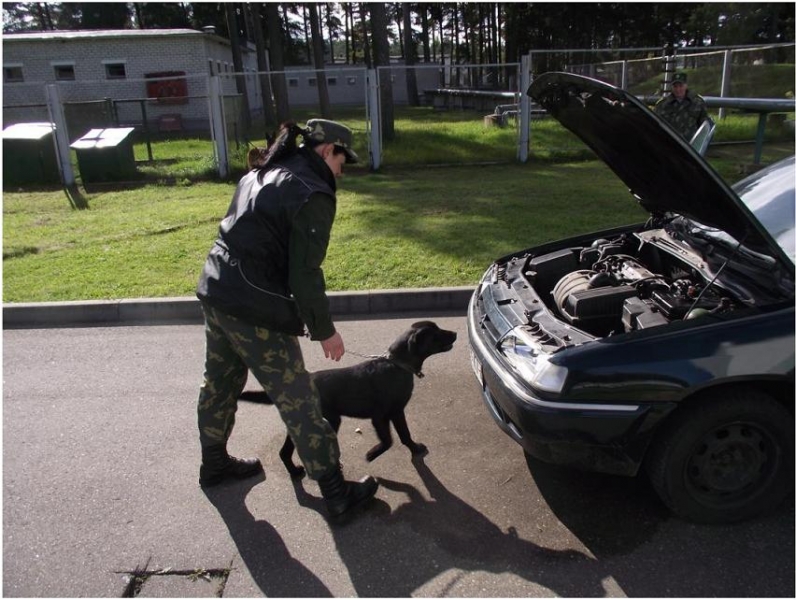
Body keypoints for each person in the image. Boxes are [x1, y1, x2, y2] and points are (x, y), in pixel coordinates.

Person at [195, 119, 379, 522]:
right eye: (342, 160)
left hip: (216, 290)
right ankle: (336, 491)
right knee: (299, 398)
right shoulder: (310, 192)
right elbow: (305, 275)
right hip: (252, 306)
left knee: (220, 382)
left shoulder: (265, 170)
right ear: (327, 150)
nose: (342, 170)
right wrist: (325, 330)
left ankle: (214, 465)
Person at [654, 71, 708, 141]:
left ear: (686, 86)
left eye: (680, 86)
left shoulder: (698, 103)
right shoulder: (662, 105)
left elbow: (704, 127)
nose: (678, 89)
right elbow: (655, 126)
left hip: (690, 146)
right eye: (675, 86)